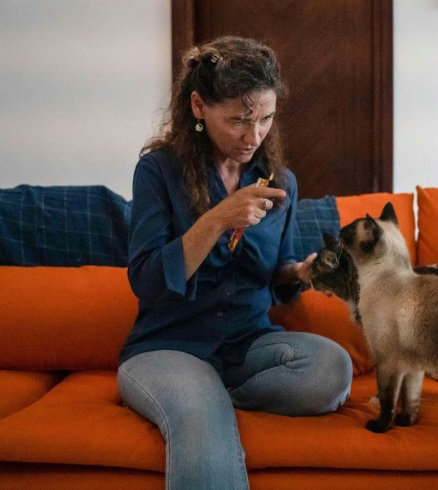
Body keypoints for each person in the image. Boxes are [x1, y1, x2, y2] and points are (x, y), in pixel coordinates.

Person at [116, 36, 353, 490]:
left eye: (265, 118)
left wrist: (301, 273)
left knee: (331, 368)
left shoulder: (279, 181)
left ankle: (217, 398)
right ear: (199, 107)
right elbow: (147, 281)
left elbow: (278, 272)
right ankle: (201, 401)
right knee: (197, 413)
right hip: (169, 346)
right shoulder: (158, 171)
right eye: (239, 120)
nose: (254, 135)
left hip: (248, 347)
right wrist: (219, 219)